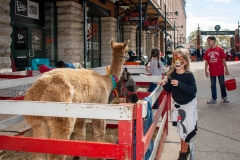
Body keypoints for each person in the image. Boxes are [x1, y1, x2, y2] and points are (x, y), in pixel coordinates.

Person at [158, 46, 198, 160]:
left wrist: (180, 84)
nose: (177, 62)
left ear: (185, 61)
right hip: (178, 105)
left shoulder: (189, 75)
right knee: (182, 129)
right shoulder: (172, 75)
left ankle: (183, 152)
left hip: (189, 104)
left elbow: (193, 90)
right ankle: (184, 151)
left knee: (187, 127)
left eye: (180, 60)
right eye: (175, 59)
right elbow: (169, 90)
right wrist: (164, 83)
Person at [203, 36, 229, 104]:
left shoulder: (220, 50)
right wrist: (206, 70)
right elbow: (206, 62)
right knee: (213, 85)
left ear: (214, 40)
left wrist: (226, 69)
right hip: (212, 71)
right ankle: (214, 98)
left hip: (220, 70)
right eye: (208, 41)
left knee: (222, 84)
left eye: (209, 41)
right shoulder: (207, 51)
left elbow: (223, 60)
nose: (208, 42)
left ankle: (224, 96)